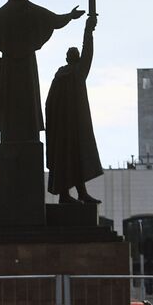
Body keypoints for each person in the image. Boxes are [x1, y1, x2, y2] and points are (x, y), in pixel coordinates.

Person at [0, 0, 85, 142]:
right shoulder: (33, 11)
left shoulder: (1, 14)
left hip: (8, 67)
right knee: (28, 100)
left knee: (10, 103)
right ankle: (30, 131)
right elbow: (55, 20)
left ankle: (11, 131)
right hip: (27, 66)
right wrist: (70, 16)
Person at [44, 14, 103, 204]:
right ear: (76, 59)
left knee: (67, 159)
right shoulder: (78, 72)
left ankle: (71, 194)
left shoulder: (59, 76)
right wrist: (89, 30)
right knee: (76, 158)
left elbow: (48, 104)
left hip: (61, 129)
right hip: (75, 126)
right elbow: (89, 52)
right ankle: (74, 194)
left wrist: (53, 127)